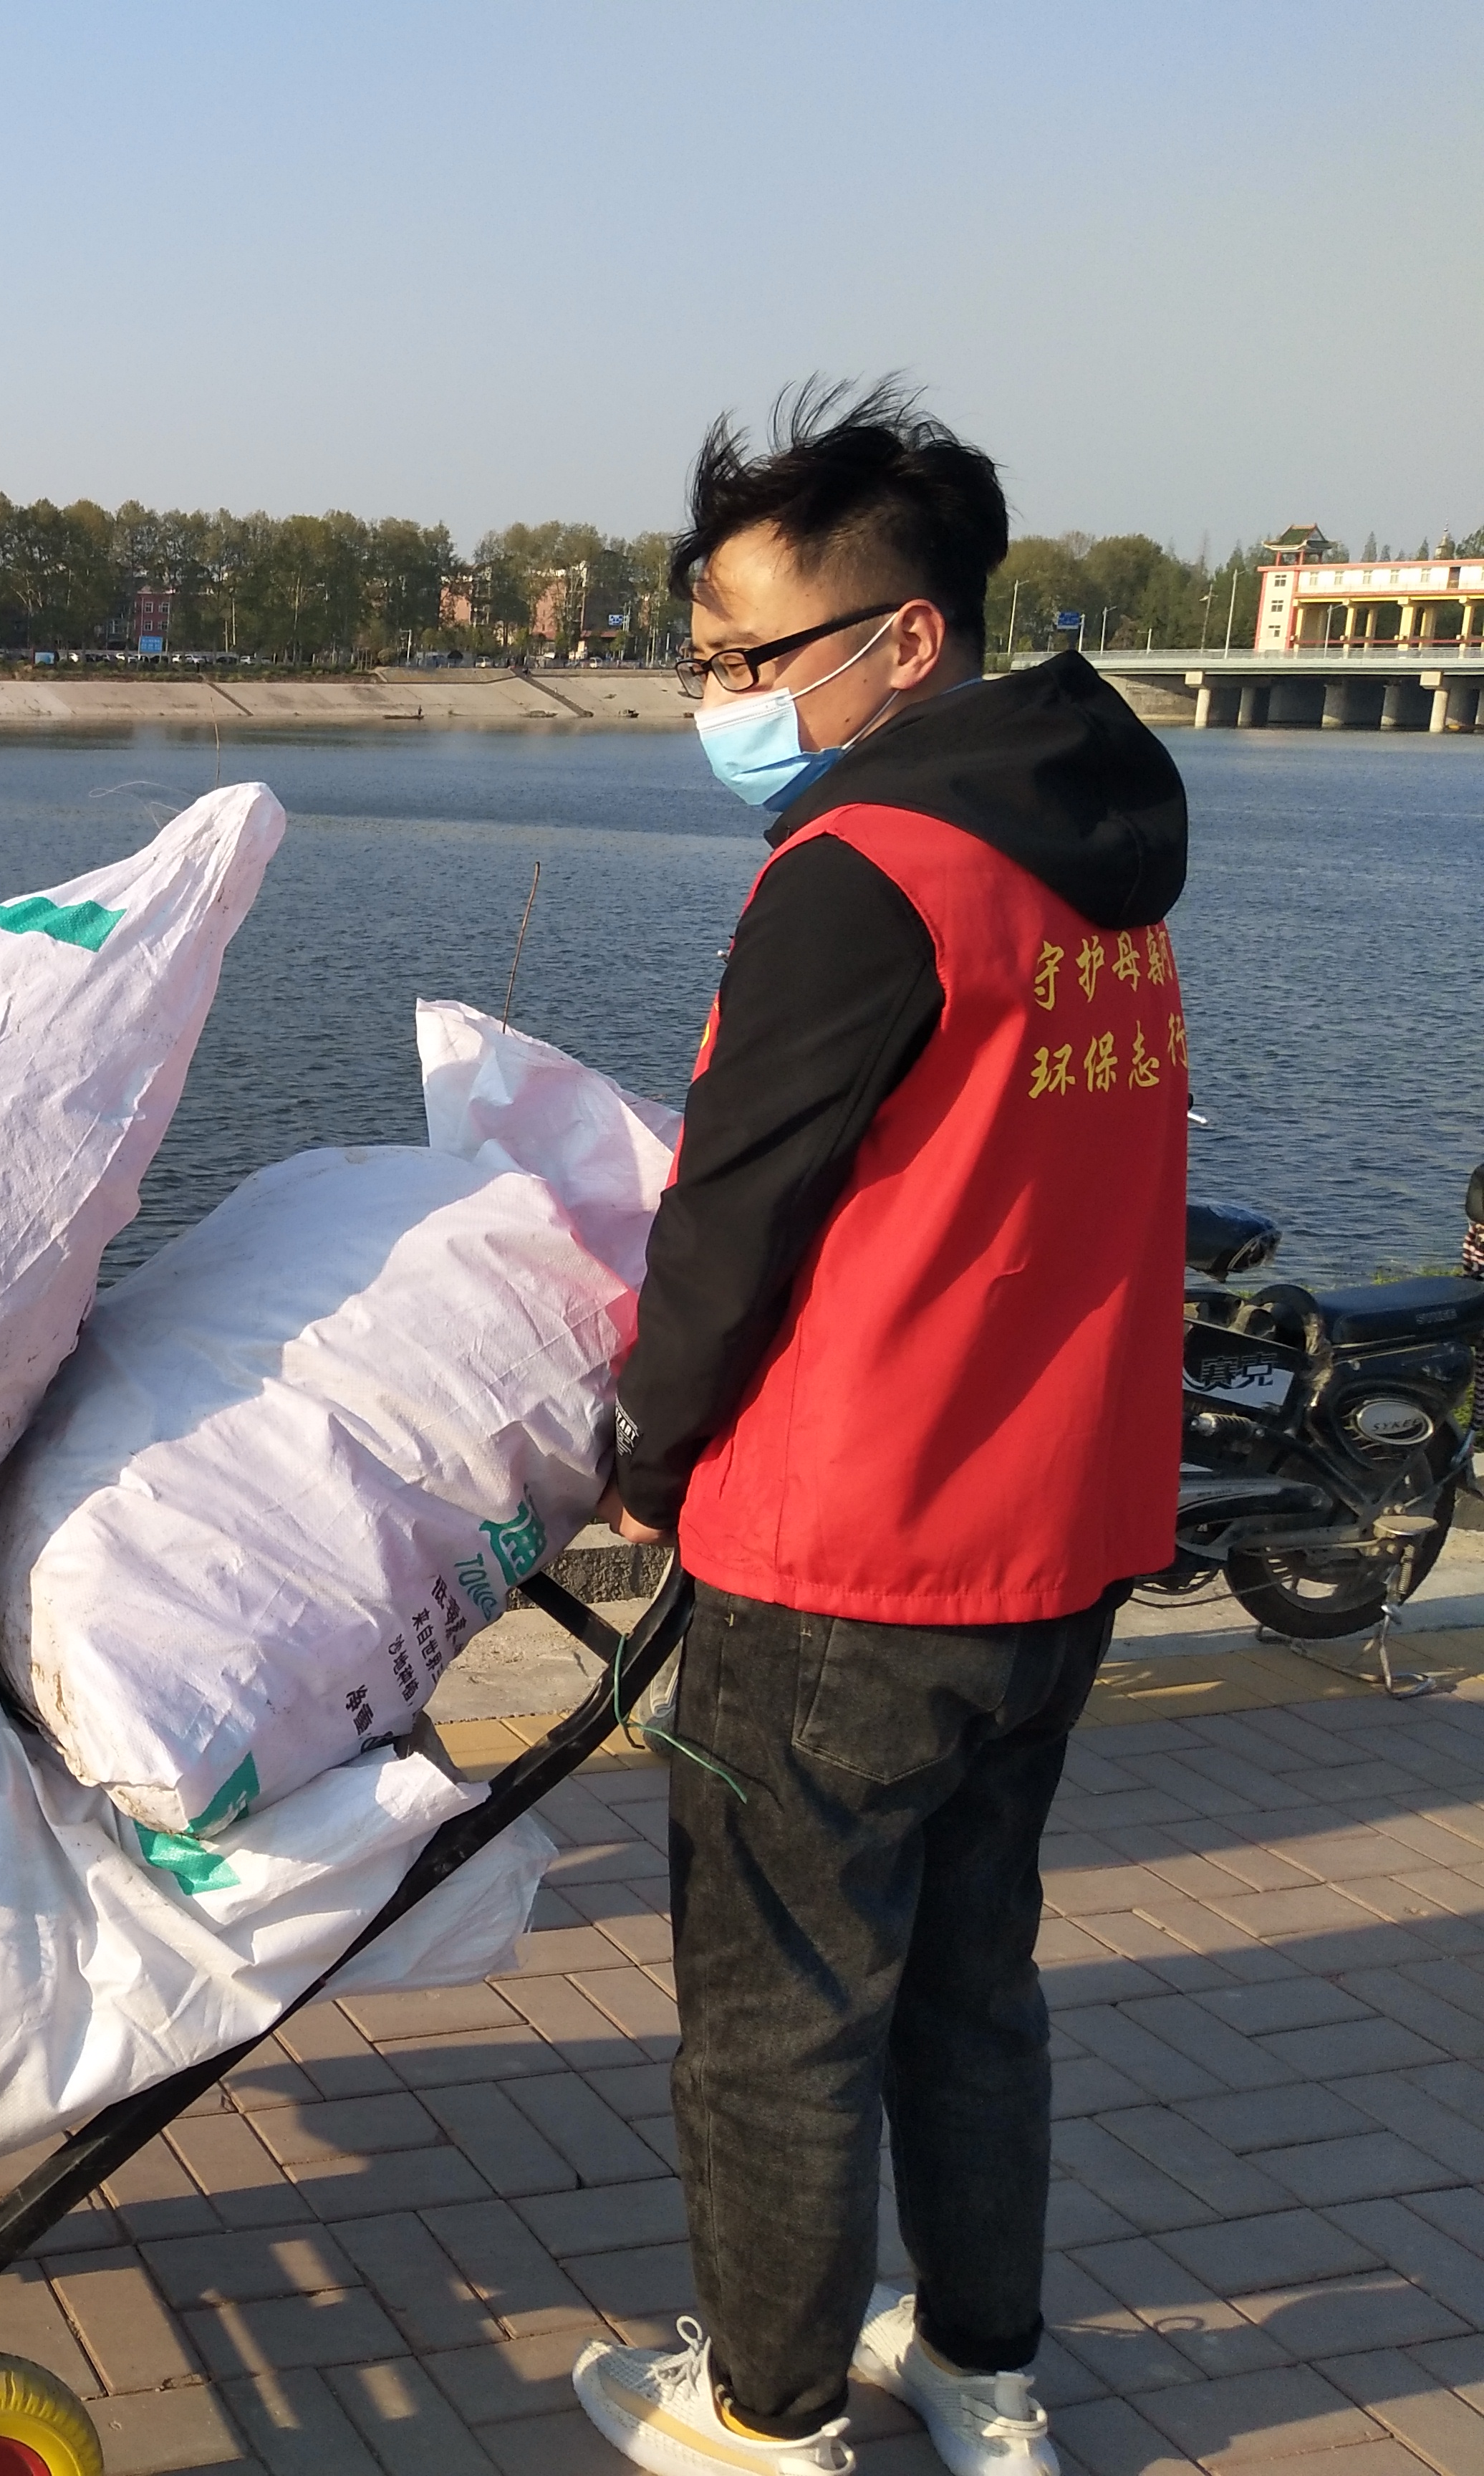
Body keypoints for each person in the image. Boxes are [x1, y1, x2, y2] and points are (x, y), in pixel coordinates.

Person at [573, 383, 1188, 2476]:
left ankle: (765, 2418)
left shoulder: (860, 875)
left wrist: (646, 1455)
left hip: (848, 1561)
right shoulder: (1102, 859)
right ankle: (986, 2374)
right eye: (702, 660)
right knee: (972, 1982)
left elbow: (729, 1224)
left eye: (750, 657)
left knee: (780, 2017)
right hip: (1060, 1538)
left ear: (903, 638)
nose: (720, 700)